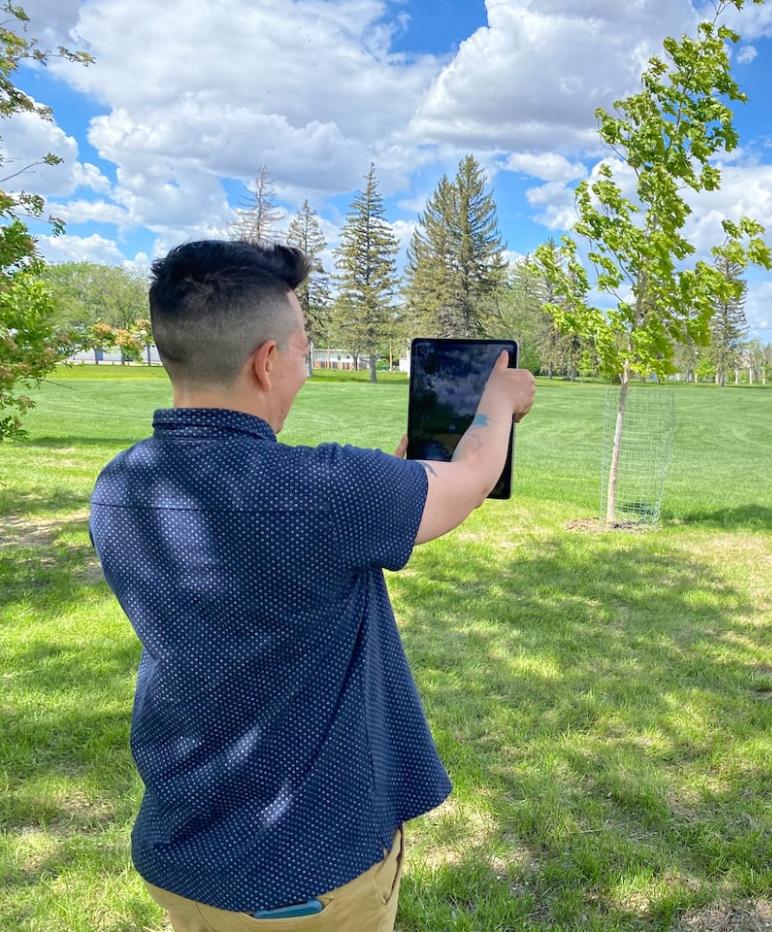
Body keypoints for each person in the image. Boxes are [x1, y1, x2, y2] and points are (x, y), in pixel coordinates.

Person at [88, 240, 535, 930]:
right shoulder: (326, 495)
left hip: (182, 853)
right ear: (266, 363)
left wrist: (398, 479)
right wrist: (497, 401)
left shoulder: (122, 485)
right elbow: (471, 478)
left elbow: (299, 531)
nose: (309, 363)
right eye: (303, 347)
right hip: (304, 878)